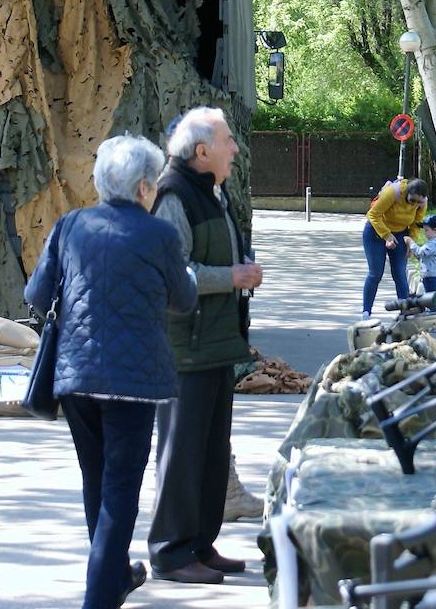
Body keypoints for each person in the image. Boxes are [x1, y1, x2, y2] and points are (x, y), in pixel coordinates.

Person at [24, 134, 196, 609]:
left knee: (95, 481)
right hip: (133, 383)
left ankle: (116, 575)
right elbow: (183, 301)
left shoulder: (69, 225)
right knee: (120, 491)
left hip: (76, 375)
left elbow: (36, 295)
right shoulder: (159, 234)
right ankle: (99, 598)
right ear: (144, 188)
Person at [148, 107, 262, 585]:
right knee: (182, 452)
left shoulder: (210, 191)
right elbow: (173, 274)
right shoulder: (174, 195)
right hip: (185, 348)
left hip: (215, 344)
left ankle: (200, 543)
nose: (235, 148)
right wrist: (231, 277)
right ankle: (171, 553)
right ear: (201, 151)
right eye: (228, 140)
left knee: (212, 452)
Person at [360, 176, 428, 316]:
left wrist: (411, 242)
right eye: (412, 200)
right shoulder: (393, 192)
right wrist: (386, 235)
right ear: (406, 194)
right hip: (376, 232)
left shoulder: (421, 202)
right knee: (375, 274)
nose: (414, 204)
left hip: (400, 234)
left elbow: (416, 224)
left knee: (399, 274)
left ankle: (405, 313)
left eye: (418, 202)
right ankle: (366, 312)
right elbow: (372, 215)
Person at [408, 214, 436, 293]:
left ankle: (432, 305)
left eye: (426, 230)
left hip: (429, 275)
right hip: (434, 274)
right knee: (431, 295)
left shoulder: (432, 243)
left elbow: (420, 252)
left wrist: (410, 242)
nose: (424, 233)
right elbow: (423, 256)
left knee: (430, 297)